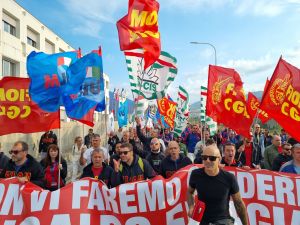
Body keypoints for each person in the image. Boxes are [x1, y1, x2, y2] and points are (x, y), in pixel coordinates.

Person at [187, 145, 249, 225]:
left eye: (212, 158)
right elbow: (189, 192)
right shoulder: (195, 174)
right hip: (202, 220)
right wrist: (191, 206)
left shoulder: (229, 178)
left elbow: (239, 204)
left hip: (223, 220)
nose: (207, 161)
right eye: (204, 157)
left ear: (219, 159)